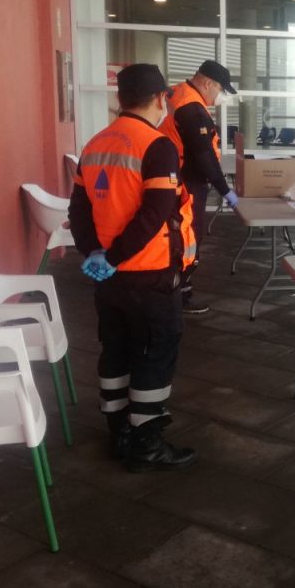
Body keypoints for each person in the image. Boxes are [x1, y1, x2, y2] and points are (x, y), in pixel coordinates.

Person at [69, 63, 199, 472]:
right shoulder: (156, 145)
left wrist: (94, 254)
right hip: (149, 273)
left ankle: (118, 432)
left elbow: (79, 209)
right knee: (156, 351)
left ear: (119, 100)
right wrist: (114, 256)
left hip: (109, 279)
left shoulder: (95, 144)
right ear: (161, 98)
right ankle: (147, 441)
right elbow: (156, 212)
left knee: (117, 349)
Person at [160, 59, 239, 314]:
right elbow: (203, 154)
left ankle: (179, 290)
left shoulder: (179, 95)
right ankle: (179, 295)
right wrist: (224, 189)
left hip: (178, 177)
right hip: (186, 183)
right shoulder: (191, 108)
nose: (220, 96)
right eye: (219, 89)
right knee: (188, 237)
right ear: (206, 82)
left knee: (183, 236)